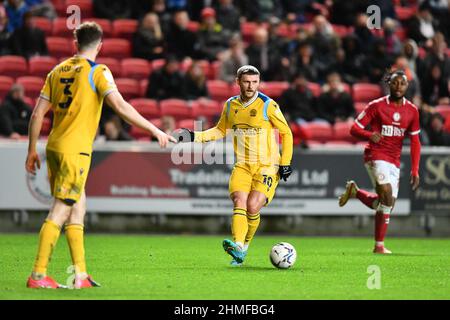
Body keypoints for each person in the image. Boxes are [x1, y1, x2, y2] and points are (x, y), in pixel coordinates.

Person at [25, 22, 176, 289]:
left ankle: (80, 275)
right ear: (100, 45)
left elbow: (37, 114)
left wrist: (31, 151)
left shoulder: (56, 71)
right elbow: (119, 106)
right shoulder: (98, 71)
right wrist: (155, 129)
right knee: (61, 208)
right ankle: (38, 275)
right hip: (75, 150)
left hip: (53, 147)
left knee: (77, 206)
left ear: (76, 43)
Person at [174, 65, 293, 266]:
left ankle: (244, 247)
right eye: (246, 81)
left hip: (267, 166)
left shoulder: (268, 105)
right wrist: (193, 136)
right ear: (237, 82)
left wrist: (285, 163)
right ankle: (238, 247)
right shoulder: (230, 105)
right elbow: (220, 131)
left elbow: (286, 133)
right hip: (243, 165)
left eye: (255, 82)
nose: (251, 86)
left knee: (253, 206)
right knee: (239, 200)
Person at [338, 70, 421, 254]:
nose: (398, 86)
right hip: (375, 154)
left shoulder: (412, 111)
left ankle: (356, 193)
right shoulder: (376, 106)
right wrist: (370, 135)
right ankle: (379, 246)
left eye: (402, 83)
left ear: (407, 86)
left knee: (386, 204)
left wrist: (415, 169)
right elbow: (354, 129)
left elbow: (415, 141)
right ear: (388, 84)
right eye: (394, 83)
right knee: (386, 194)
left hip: (394, 160)